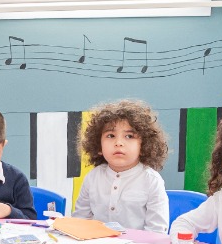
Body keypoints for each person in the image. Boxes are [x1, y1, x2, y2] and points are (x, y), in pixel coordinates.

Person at [70, 99, 170, 232]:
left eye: (129, 136)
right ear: (98, 146)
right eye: (111, 135)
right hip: (97, 243)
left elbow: (156, 231)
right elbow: (80, 221)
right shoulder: (92, 177)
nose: (118, 143)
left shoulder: (152, 181)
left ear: (144, 145)